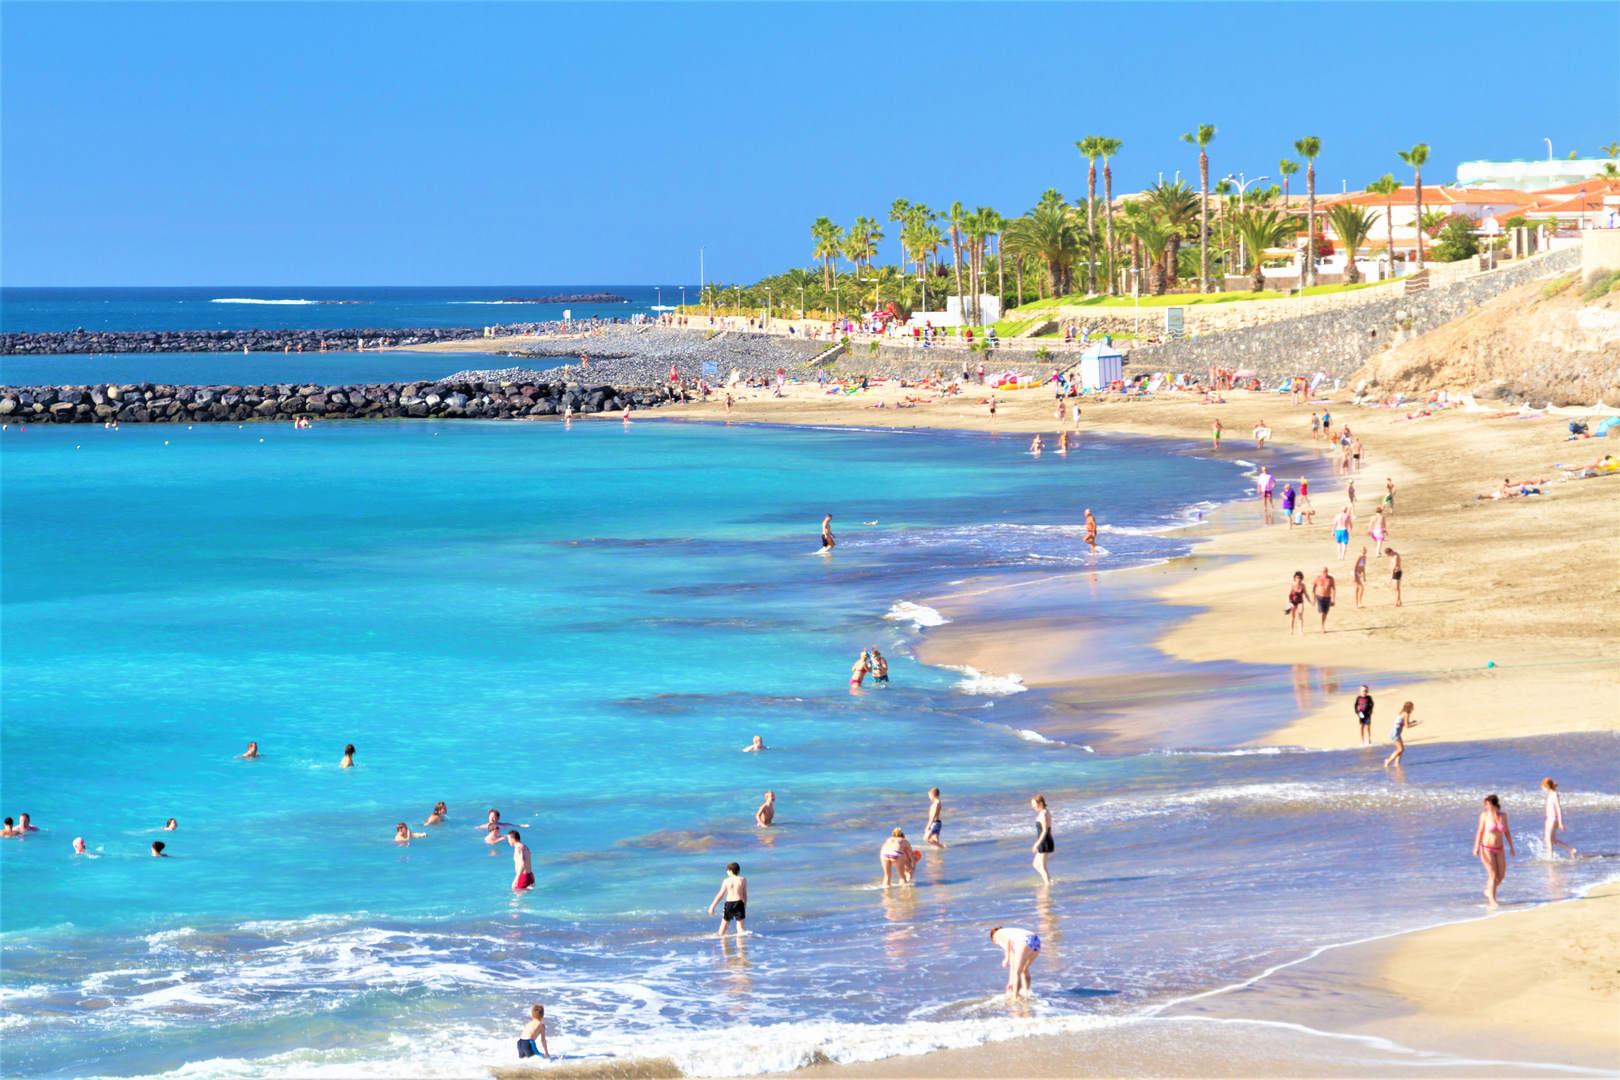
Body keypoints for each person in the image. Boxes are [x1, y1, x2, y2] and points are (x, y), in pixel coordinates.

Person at [1472, 794, 1515, 907]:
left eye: (1487, 804)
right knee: (1493, 875)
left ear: (1493, 804)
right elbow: (1480, 831)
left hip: (1499, 849)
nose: (1486, 806)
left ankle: (1488, 891)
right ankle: (1493, 900)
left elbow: (1507, 832)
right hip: (1487, 848)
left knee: (1501, 876)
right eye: (1485, 804)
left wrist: (1511, 847)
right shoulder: (1484, 816)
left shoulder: (1503, 816)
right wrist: (1476, 846)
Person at [990, 926, 1042, 999]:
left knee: (1017, 972)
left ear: (992, 939)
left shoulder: (997, 935)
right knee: (1024, 970)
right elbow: (1013, 962)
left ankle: (1015, 998)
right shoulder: (1010, 932)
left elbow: (1008, 942)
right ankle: (1027, 993)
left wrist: (1006, 958)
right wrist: (1010, 982)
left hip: (1024, 941)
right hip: (1036, 939)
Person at [707, 862, 748, 937]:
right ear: (738, 871)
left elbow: (721, 894)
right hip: (739, 903)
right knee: (740, 928)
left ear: (730, 871)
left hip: (729, 904)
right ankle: (741, 947)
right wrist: (744, 905)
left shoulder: (726, 881)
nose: (726, 872)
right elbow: (744, 894)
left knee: (723, 928)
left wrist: (712, 906)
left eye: (727, 870)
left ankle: (724, 946)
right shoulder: (743, 879)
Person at [1542, 779, 1576, 858]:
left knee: (1548, 839)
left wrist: (1560, 822)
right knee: (1552, 840)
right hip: (1551, 818)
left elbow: (1558, 808)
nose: (1542, 789)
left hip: (1553, 819)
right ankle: (1570, 850)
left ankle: (1550, 857)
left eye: (1543, 787)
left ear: (1546, 786)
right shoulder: (1551, 794)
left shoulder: (1554, 794)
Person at [1384, 701, 1417, 767]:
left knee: (1401, 749)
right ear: (1409, 708)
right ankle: (1388, 760)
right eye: (1412, 707)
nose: (1413, 709)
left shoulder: (1402, 713)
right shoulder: (1406, 714)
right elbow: (1407, 726)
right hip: (1395, 733)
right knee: (1400, 749)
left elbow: (1404, 723)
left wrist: (1412, 722)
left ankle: (1397, 763)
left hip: (1396, 733)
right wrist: (1416, 724)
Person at [1031, 795, 1054, 885]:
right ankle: (1049, 881)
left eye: (1034, 804)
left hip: (1044, 841)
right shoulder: (1045, 812)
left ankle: (1047, 883)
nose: (1033, 806)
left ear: (1040, 803)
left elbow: (1044, 830)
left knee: (1040, 865)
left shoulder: (1044, 814)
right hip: (1046, 840)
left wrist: (1037, 844)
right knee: (1037, 864)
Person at [1311, 566, 1336, 634]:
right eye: (1323, 571)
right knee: (1322, 613)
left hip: (1328, 598)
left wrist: (1333, 599)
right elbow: (1313, 589)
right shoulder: (1317, 578)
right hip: (1319, 597)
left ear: (1327, 571)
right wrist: (1313, 599)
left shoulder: (1330, 579)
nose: (1324, 572)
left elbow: (1333, 589)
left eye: (1326, 571)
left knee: (1325, 613)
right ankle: (1322, 627)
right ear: (1321, 572)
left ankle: (1323, 624)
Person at [1286, 571, 1307, 636]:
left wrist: (1310, 601)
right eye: (1297, 577)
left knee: (1300, 614)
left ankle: (1300, 631)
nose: (1298, 579)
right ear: (1294, 578)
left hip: (1300, 602)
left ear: (1301, 578)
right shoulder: (1292, 585)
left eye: (1300, 577)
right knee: (1293, 617)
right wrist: (1288, 604)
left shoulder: (1303, 585)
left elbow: (1306, 594)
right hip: (1292, 602)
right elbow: (1288, 595)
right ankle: (1291, 630)